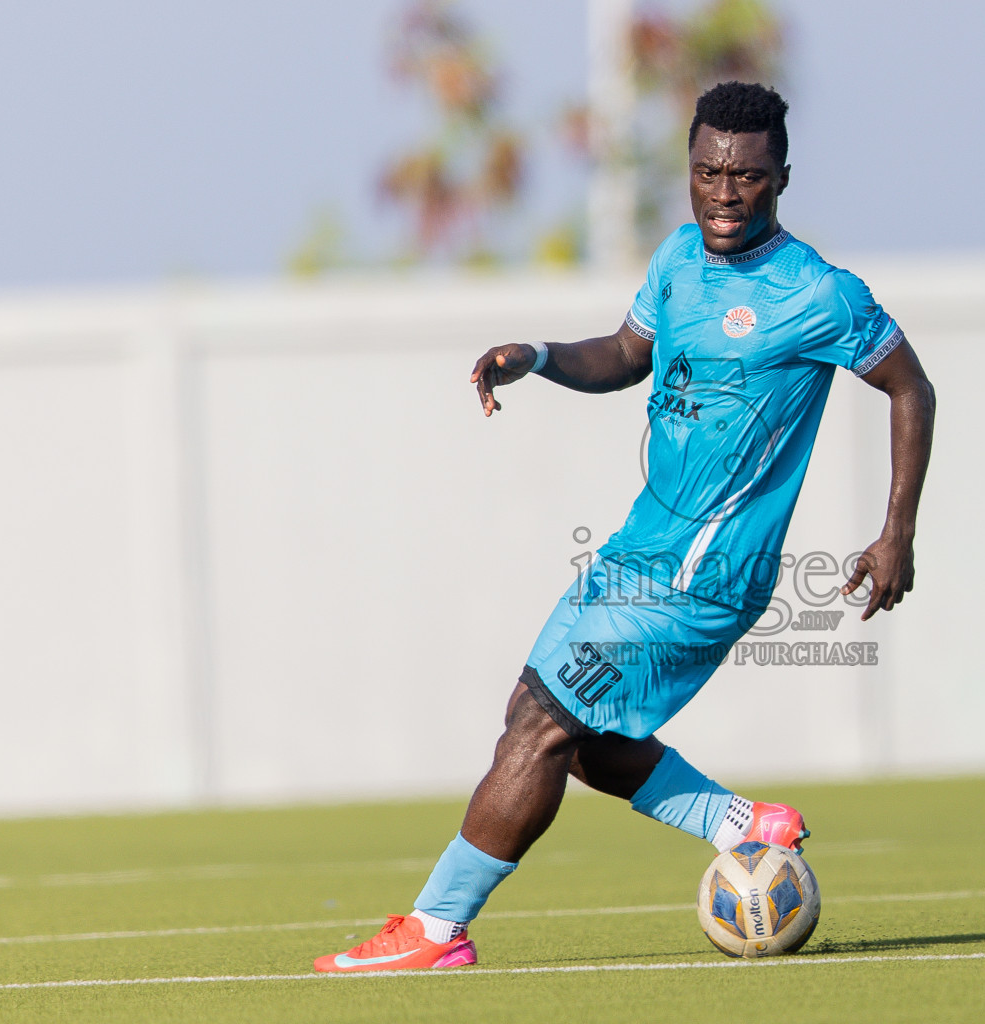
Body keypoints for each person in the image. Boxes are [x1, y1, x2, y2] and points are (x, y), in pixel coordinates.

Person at [315, 81, 936, 973]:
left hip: (704, 569)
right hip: (640, 545)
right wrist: (536, 356)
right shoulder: (679, 260)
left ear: (782, 179)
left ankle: (436, 929)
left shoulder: (820, 294)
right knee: (549, 721)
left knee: (545, 729)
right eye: (708, 171)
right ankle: (739, 825)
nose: (725, 193)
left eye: (748, 177)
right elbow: (624, 355)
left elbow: (911, 387)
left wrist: (895, 533)